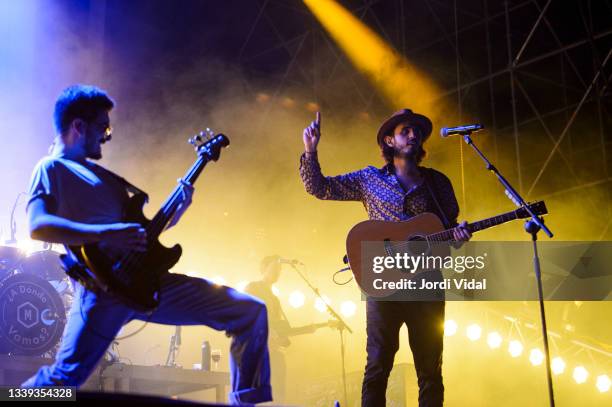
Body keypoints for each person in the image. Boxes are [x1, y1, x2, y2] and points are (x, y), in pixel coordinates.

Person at [22, 84, 272, 405]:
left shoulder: (106, 179)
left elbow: (140, 234)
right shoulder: (51, 168)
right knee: (64, 378)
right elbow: (38, 226)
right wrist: (107, 234)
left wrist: (177, 211)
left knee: (249, 312)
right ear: (78, 127)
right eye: (103, 127)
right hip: (104, 290)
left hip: (146, 284)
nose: (107, 135)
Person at [299, 110, 471, 407]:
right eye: (407, 130)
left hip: (425, 283)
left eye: (417, 131)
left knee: (430, 369)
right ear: (390, 140)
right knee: (377, 365)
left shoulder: (438, 183)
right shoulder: (370, 179)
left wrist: (458, 239)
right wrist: (310, 151)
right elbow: (320, 188)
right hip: (382, 281)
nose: (414, 134)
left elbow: (445, 235)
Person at [245, 255, 332, 403]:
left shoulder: (275, 299)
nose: (277, 272)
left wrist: (314, 327)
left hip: (275, 352)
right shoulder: (253, 287)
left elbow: (282, 329)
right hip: (258, 350)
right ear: (263, 269)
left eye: (279, 269)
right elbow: (246, 313)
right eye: (274, 268)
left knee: (278, 395)